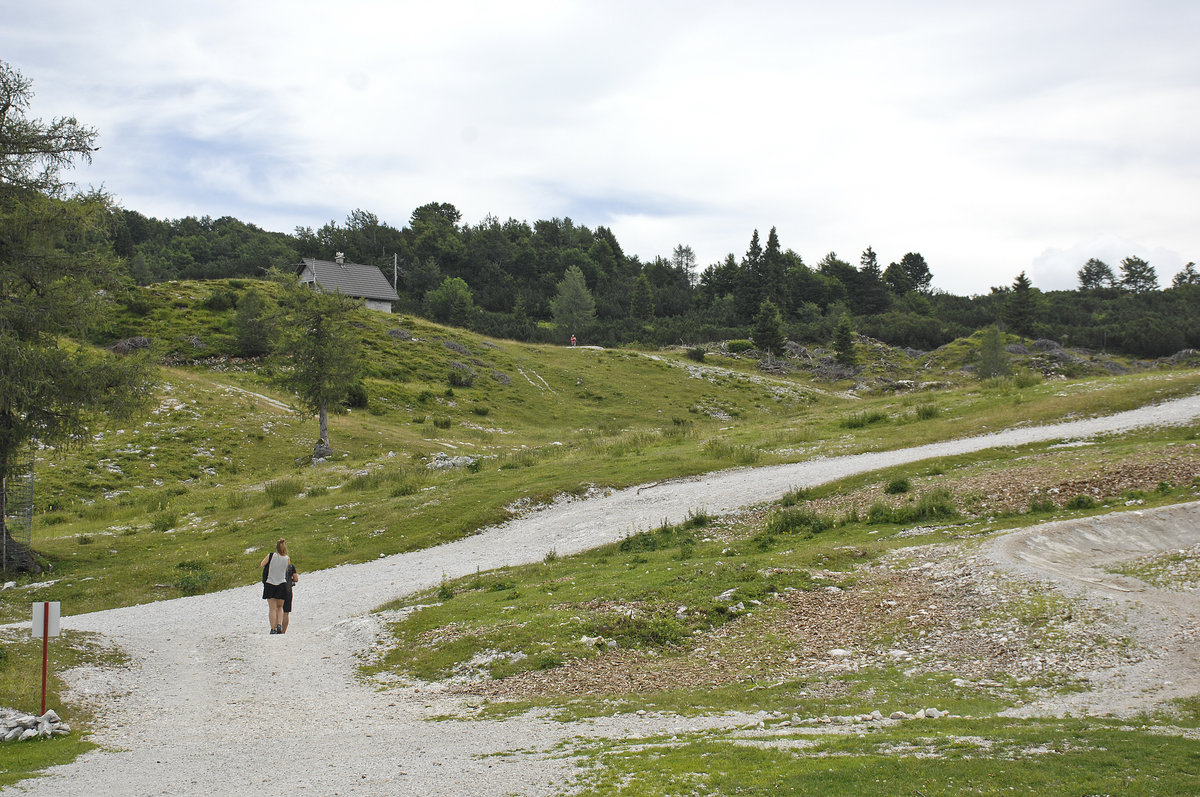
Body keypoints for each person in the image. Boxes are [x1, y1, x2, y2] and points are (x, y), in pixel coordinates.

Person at [260, 539, 290, 634]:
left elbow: (262, 564)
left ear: (276, 547)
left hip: (270, 583)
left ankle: (272, 628)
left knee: (272, 608)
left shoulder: (271, 555)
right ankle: (279, 625)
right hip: (282, 584)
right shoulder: (287, 558)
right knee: (280, 607)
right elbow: (287, 569)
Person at [281, 561, 298, 633]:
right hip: (288, 590)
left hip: (278, 589)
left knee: (276, 609)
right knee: (286, 612)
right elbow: (296, 579)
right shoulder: (291, 566)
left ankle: (275, 628)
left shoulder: (276, 566)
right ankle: (283, 631)